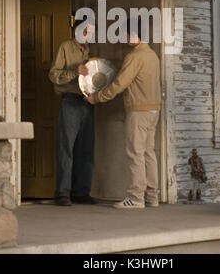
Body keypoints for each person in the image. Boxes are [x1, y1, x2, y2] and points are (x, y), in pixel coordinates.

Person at [87, 18, 161, 209]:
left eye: (125, 34)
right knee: (148, 153)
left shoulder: (135, 56)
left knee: (135, 153)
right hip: (153, 110)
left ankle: (136, 197)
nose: (124, 37)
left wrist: (98, 97)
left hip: (138, 111)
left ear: (134, 35)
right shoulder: (152, 55)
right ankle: (152, 197)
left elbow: (120, 83)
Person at [49, 18, 96, 206]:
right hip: (70, 101)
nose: (91, 35)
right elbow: (53, 74)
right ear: (78, 30)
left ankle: (81, 192)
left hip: (87, 102)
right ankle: (62, 193)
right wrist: (74, 72)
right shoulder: (65, 47)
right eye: (88, 31)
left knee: (86, 149)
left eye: (92, 32)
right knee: (66, 149)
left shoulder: (89, 51)